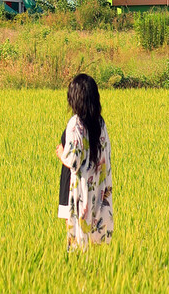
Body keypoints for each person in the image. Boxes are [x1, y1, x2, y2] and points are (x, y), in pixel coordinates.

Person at [56, 73, 113, 251]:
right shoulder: (100, 123)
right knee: (96, 243)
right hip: (97, 186)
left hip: (79, 188)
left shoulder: (75, 123)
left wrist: (60, 153)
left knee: (78, 243)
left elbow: (74, 160)